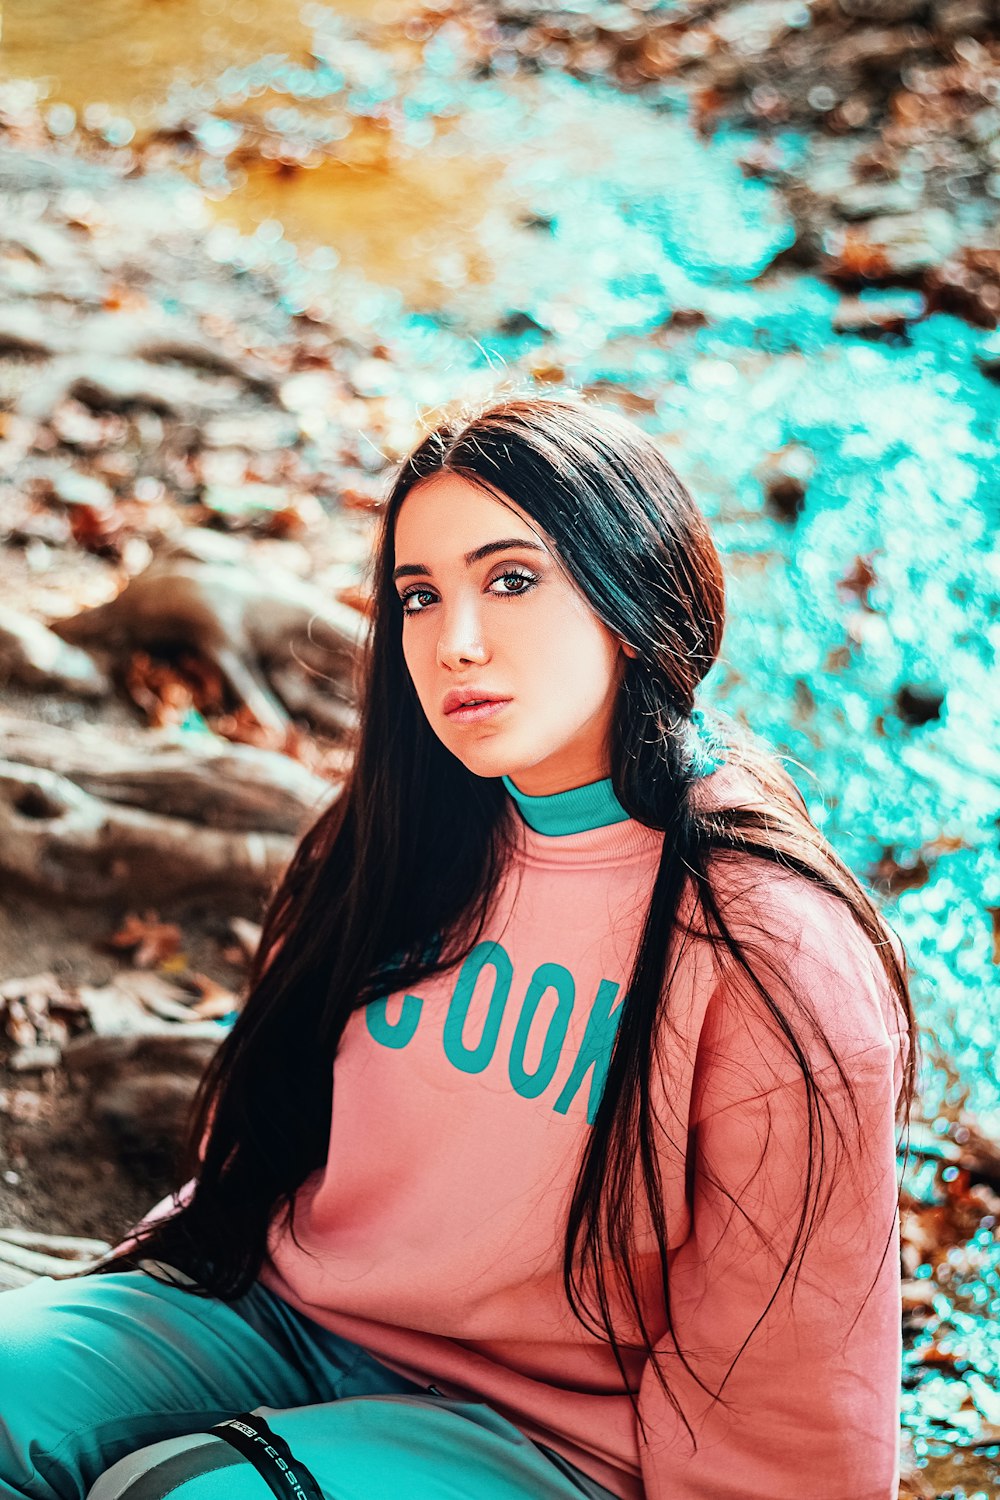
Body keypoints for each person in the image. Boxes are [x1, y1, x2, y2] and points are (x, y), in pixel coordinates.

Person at [0, 391, 918, 1500]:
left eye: (512, 580)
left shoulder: (768, 950)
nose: (457, 641)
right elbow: (280, 1139)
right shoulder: (409, 829)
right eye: (420, 597)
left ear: (636, 592)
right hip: (287, 1307)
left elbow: (792, 1398)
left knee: (171, 1493)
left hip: (559, 1436)